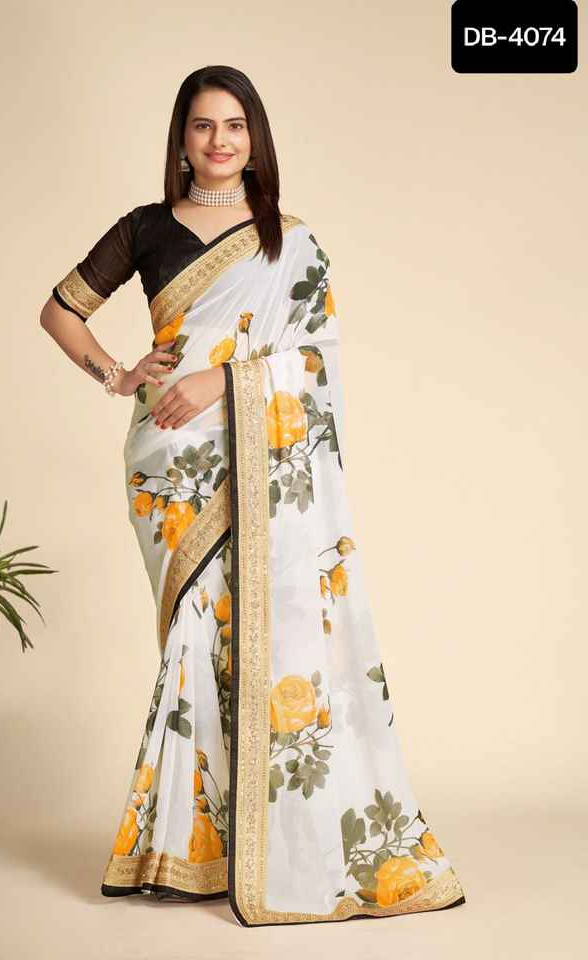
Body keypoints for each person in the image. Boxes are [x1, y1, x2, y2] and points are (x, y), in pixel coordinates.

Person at [40, 65, 466, 928]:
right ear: (181, 138)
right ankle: (183, 848)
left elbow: (316, 359)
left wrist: (220, 380)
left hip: (255, 453)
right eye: (204, 125)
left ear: (256, 138)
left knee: (260, 638)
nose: (220, 141)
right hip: (170, 461)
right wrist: (121, 375)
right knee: (193, 637)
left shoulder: (290, 241)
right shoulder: (145, 228)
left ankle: (251, 844)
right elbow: (59, 312)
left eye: (235, 125)